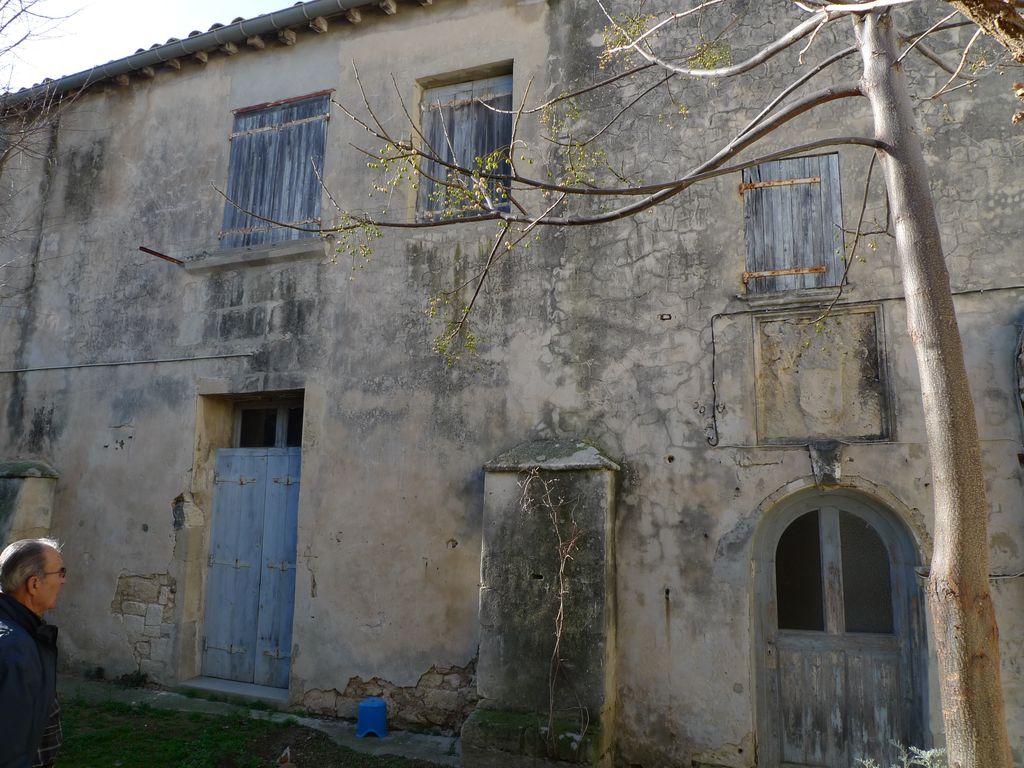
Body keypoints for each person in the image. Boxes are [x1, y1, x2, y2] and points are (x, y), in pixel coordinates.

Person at [0, 538, 66, 768]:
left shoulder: (21, 633)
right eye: (60, 572)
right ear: (34, 584)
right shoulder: (15, 648)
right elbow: (9, 747)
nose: (63, 580)